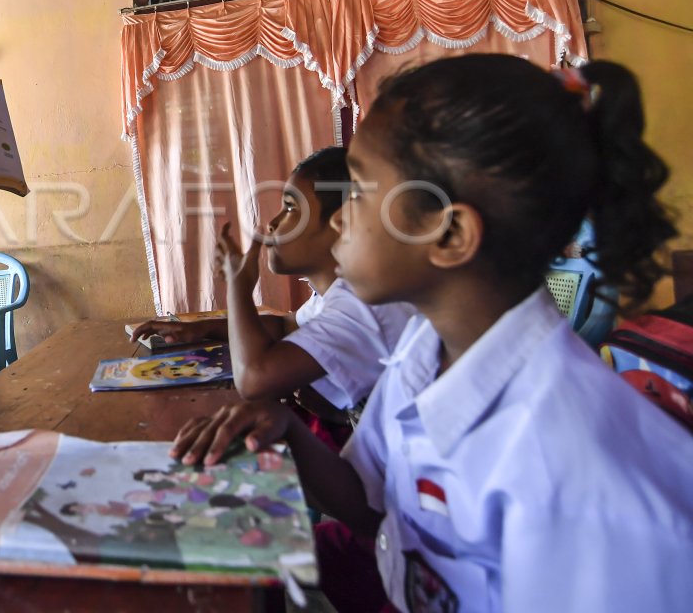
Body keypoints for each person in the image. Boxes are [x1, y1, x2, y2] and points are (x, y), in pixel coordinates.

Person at [171, 55, 692, 612]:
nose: (341, 219)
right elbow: (371, 505)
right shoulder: (425, 350)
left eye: (362, 192)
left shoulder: (577, 473)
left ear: (450, 234)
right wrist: (288, 432)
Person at [133, 148, 415, 439]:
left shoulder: (362, 303)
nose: (273, 223)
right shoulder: (337, 294)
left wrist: (239, 287)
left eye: (291, 208)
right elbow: (286, 326)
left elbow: (253, 380)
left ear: (341, 224)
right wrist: (198, 329)